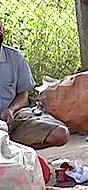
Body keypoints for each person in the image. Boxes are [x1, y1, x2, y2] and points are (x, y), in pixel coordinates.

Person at [0, 21, 70, 149]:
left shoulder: (15, 58)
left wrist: (11, 110)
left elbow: (23, 95)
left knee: (61, 134)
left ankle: (15, 149)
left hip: (13, 118)